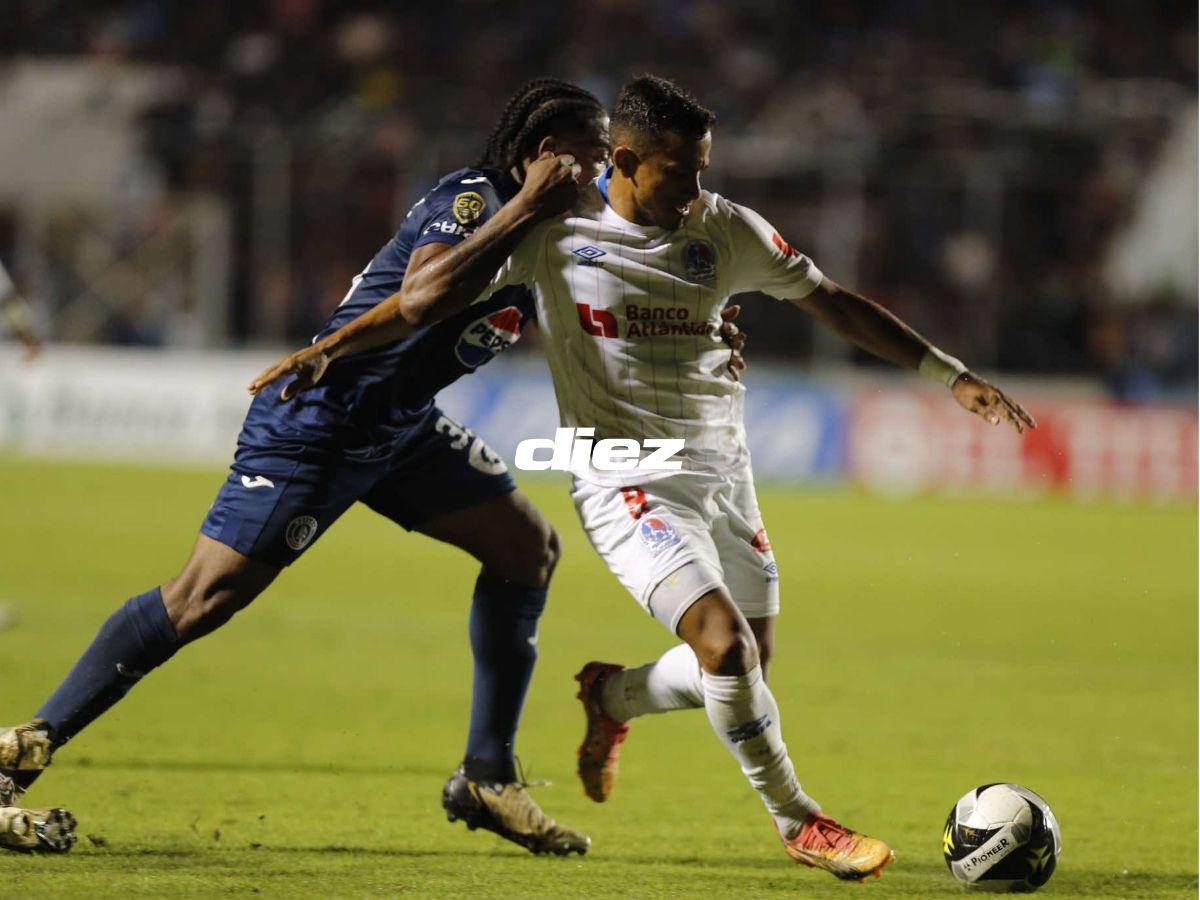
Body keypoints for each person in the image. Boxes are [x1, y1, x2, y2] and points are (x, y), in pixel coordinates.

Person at [248, 74, 1034, 883]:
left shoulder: (724, 228)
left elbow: (829, 299)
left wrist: (949, 373)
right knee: (725, 653)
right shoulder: (552, 236)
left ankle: (613, 697)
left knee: (742, 666)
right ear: (623, 160)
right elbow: (422, 299)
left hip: (723, 476)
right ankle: (803, 824)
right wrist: (331, 346)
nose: (697, 189)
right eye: (680, 171)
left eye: (702, 169)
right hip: (624, 479)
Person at [1, 79, 728, 857]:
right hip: (323, 416)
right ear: (543, 156)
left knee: (525, 550)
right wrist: (524, 208)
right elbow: (419, 300)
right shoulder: (478, 200)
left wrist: (712, 340)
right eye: (585, 162)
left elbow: (625, 320)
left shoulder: (561, 240)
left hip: (399, 430)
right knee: (202, 598)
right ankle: (25, 747)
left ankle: (487, 777)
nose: (597, 181)